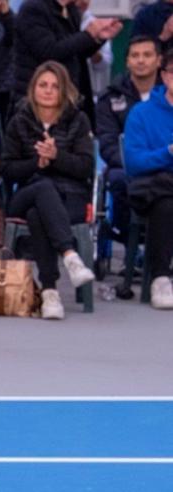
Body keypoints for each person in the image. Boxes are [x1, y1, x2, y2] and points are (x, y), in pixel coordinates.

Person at [0, 61, 97, 319]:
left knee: (38, 215)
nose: (48, 91)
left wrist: (57, 157)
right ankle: (70, 255)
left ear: (64, 91)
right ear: (33, 89)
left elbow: (86, 168)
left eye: (55, 86)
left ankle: (50, 292)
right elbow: (7, 170)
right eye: (43, 85)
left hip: (70, 195)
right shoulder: (19, 121)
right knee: (42, 187)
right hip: (27, 192)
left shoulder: (78, 120)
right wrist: (37, 163)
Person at [97, 35, 160, 289]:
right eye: (135, 56)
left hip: (165, 167)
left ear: (158, 61)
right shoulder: (111, 98)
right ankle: (131, 244)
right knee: (118, 180)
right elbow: (108, 142)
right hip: (127, 169)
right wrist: (133, 162)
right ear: (127, 61)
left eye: (147, 55)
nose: (141, 61)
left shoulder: (168, 96)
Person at [124, 50, 173, 309]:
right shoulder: (141, 114)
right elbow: (134, 163)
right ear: (165, 76)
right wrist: (168, 152)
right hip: (152, 189)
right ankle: (161, 278)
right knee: (164, 200)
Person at [13, 0, 120, 118]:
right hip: (39, 100)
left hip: (68, 97)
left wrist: (98, 38)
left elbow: (76, 52)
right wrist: (88, 34)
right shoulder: (33, 9)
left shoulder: (71, 10)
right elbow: (50, 52)